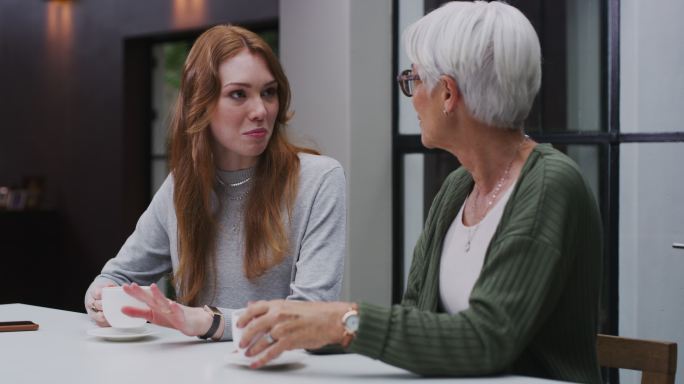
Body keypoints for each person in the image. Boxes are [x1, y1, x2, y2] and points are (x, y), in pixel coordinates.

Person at [236, 2, 603, 383]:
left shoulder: (551, 185)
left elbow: (488, 338)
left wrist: (340, 321)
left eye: (414, 80)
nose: (411, 96)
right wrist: (308, 326)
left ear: (447, 94)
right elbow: (420, 316)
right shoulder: (459, 187)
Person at [84, 25, 346, 341]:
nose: (261, 111)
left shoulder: (319, 180)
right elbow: (116, 275)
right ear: (201, 103)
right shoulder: (181, 185)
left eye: (269, 92)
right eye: (238, 94)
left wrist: (208, 322)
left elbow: (310, 313)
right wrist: (101, 298)